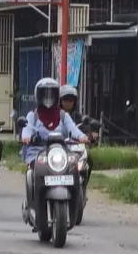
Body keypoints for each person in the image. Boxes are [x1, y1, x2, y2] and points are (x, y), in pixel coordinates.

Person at [21, 78, 89, 207]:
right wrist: (26, 137)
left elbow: (73, 130)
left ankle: (76, 201)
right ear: (38, 96)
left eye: (51, 94)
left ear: (57, 96)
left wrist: (82, 137)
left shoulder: (63, 115)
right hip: (38, 151)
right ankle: (32, 202)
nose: (48, 98)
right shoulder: (33, 115)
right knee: (32, 173)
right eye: (44, 94)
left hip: (61, 151)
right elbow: (27, 129)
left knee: (75, 169)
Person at [59, 84, 96, 183]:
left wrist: (89, 136)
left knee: (88, 161)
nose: (68, 103)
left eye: (71, 100)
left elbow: (85, 131)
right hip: (58, 147)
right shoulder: (55, 116)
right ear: (60, 100)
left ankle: (82, 185)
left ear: (75, 102)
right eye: (65, 99)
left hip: (75, 148)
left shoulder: (79, 117)